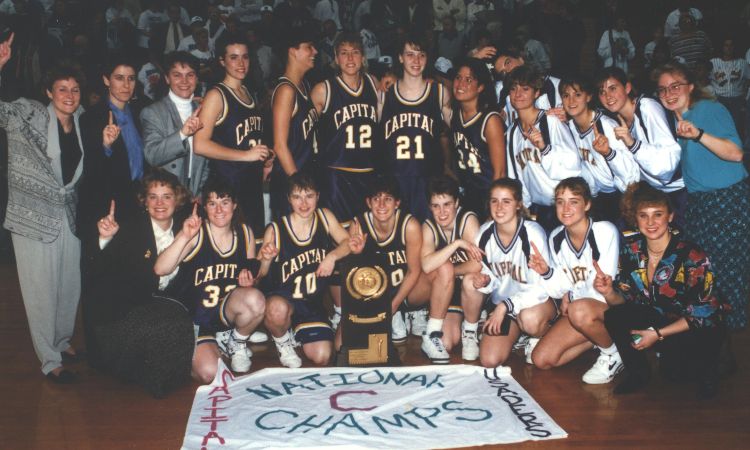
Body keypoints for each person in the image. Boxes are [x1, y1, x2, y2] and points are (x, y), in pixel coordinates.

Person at [0, 33, 85, 383]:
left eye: (75, 89)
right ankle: (50, 360)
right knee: (40, 290)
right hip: (32, 216)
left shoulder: (82, 119)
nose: (69, 95)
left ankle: (62, 341)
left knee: (69, 285)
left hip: (68, 215)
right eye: (62, 89)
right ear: (49, 92)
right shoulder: (29, 113)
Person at [599, 182, 727, 399]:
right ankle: (638, 374)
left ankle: (711, 371)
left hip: (697, 326)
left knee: (677, 376)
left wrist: (656, 335)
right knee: (614, 315)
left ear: (670, 217)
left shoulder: (692, 254)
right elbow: (626, 301)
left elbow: (703, 313)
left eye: (657, 215)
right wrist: (607, 291)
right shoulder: (631, 251)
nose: (650, 222)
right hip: (661, 319)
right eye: (643, 215)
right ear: (635, 219)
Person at [653, 62, 749, 334]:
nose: (669, 93)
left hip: (726, 202)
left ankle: (727, 340)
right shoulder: (677, 120)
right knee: (705, 275)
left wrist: (699, 135)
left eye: (675, 86)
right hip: (702, 206)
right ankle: (713, 335)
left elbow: (736, 153)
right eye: (663, 90)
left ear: (691, 87)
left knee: (726, 275)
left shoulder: (708, 110)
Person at [85, 169, 195, 397]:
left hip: (155, 303)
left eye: (167, 196)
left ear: (178, 199)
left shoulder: (185, 227)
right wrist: (106, 240)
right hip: (120, 312)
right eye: (152, 196)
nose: (160, 203)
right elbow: (99, 271)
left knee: (178, 320)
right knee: (166, 325)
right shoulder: (131, 228)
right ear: (144, 202)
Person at [154, 177, 267, 382]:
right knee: (210, 373)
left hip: (222, 312)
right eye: (212, 203)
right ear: (204, 207)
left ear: (234, 205)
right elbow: (160, 268)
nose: (219, 210)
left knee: (256, 300)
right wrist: (184, 236)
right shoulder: (197, 233)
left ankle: (235, 341)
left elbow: (252, 280)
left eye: (224, 202)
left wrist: (250, 280)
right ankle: (188, 349)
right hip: (192, 319)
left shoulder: (245, 233)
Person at [349, 176, 455, 364]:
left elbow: (414, 271)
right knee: (351, 349)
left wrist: (393, 306)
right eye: (376, 199)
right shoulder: (358, 226)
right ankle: (392, 318)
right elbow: (357, 277)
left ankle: (431, 335)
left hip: (406, 292)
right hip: (375, 296)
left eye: (388, 199)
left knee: (444, 268)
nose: (381, 204)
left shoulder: (410, 225)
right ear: (368, 202)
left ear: (397, 203)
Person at [527, 178, 623, 385]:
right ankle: (596, 338)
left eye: (574, 201)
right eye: (560, 201)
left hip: (615, 306)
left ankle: (614, 354)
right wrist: (546, 272)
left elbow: (601, 289)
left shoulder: (604, 231)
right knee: (541, 359)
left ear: (587, 204)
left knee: (578, 310)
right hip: (582, 309)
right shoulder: (555, 237)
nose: (566, 208)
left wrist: (571, 296)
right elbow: (558, 287)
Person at [259, 172, 351, 368]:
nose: (303, 203)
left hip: (312, 305)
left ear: (318, 196)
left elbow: (348, 242)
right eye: (297, 197)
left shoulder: (325, 217)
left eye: (309, 196)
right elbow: (260, 274)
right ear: (288, 199)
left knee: (323, 356)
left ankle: (297, 333)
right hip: (284, 301)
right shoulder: (275, 229)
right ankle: (283, 342)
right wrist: (266, 260)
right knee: (277, 309)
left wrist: (332, 256)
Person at [461, 178, 556, 367]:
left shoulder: (532, 233)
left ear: (518, 204)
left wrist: (505, 306)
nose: (499, 207)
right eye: (494, 201)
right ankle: (475, 331)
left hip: (536, 304)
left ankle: (538, 335)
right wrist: (486, 281)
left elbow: (541, 288)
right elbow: (494, 277)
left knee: (530, 320)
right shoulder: (485, 233)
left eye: (506, 201)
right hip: (506, 308)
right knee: (489, 360)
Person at [194, 37, 271, 236]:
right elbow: (200, 145)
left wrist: (265, 156)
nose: (240, 63)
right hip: (228, 186)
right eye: (234, 57)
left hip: (251, 182)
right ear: (222, 61)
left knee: (253, 243)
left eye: (245, 57)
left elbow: (246, 139)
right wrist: (246, 155)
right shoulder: (216, 95)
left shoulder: (248, 92)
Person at [594, 67, 684, 224]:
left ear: (627, 88)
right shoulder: (616, 119)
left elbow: (665, 166)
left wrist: (632, 143)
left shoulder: (647, 107)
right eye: (602, 92)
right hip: (656, 192)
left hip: (680, 191)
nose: (608, 96)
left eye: (613, 88)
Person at [380, 31, 452, 221]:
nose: (416, 60)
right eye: (410, 54)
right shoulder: (385, 94)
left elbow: (461, 130)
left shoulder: (439, 93)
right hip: (395, 183)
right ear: (400, 58)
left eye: (421, 55)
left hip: (427, 183)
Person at [311, 31, 380, 225]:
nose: (350, 58)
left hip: (369, 173)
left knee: (366, 233)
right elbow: (303, 132)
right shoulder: (323, 90)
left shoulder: (374, 84)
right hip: (337, 176)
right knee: (339, 234)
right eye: (344, 53)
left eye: (355, 52)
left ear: (363, 57)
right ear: (335, 58)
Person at [504, 65, 581, 232]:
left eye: (525, 89)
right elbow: (516, 176)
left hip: (564, 206)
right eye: (513, 89)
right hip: (538, 210)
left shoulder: (550, 121)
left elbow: (573, 165)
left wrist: (545, 148)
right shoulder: (511, 132)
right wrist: (522, 206)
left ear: (536, 93)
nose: (518, 94)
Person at [79, 56, 147, 240]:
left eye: (131, 78)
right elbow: (90, 170)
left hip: (138, 201)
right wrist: (105, 146)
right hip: (106, 204)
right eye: (119, 78)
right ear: (106, 80)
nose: (126, 85)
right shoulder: (91, 117)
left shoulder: (141, 112)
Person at [558, 75, 639, 223]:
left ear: (588, 97)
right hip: (597, 198)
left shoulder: (606, 125)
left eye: (577, 95)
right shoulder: (568, 129)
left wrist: (608, 153)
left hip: (622, 196)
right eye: (566, 95)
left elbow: (632, 175)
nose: (571, 101)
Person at [421, 176, 482, 359]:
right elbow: (426, 265)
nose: (441, 212)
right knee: (446, 343)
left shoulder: (468, 219)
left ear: (456, 202)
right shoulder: (429, 226)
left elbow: (478, 264)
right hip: (447, 290)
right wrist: (456, 244)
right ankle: (435, 332)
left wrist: (448, 273)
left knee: (468, 277)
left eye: (447, 204)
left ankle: (472, 326)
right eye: (435, 206)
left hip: (468, 287)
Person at [141, 51, 209, 196]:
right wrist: (182, 134)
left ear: (197, 79)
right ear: (167, 78)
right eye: (177, 75)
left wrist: (200, 192)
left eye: (190, 75)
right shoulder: (152, 112)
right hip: (166, 195)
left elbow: (206, 160)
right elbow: (152, 155)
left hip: (195, 193)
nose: (184, 81)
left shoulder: (203, 111)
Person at [270, 26, 319, 219]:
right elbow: (280, 146)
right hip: (290, 182)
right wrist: (299, 188)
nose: (314, 52)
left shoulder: (304, 86)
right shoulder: (286, 90)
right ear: (293, 51)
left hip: (302, 178)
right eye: (309, 47)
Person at [450, 57, 505, 217]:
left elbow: (500, 172)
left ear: (480, 87)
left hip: (486, 195)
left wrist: (494, 209)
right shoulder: (455, 115)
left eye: (468, 80)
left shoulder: (490, 120)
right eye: (458, 78)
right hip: (466, 194)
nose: (460, 84)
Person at [489, 46, 565, 130]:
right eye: (502, 72)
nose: (507, 71)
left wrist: (568, 117)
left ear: (521, 59)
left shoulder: (555, 85)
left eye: (508, 63)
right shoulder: (505, 94)